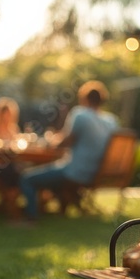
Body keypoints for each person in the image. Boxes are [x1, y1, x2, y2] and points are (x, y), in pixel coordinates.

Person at [18, 80, 119, 224]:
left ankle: (31, 217)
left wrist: (50, 140)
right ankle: (59, 207)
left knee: (27, 178)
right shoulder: (111, 120)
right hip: (99, 172)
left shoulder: (80, 114)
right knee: (53, 173)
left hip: (76, 172)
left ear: (84, 98)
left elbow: (64, 142)